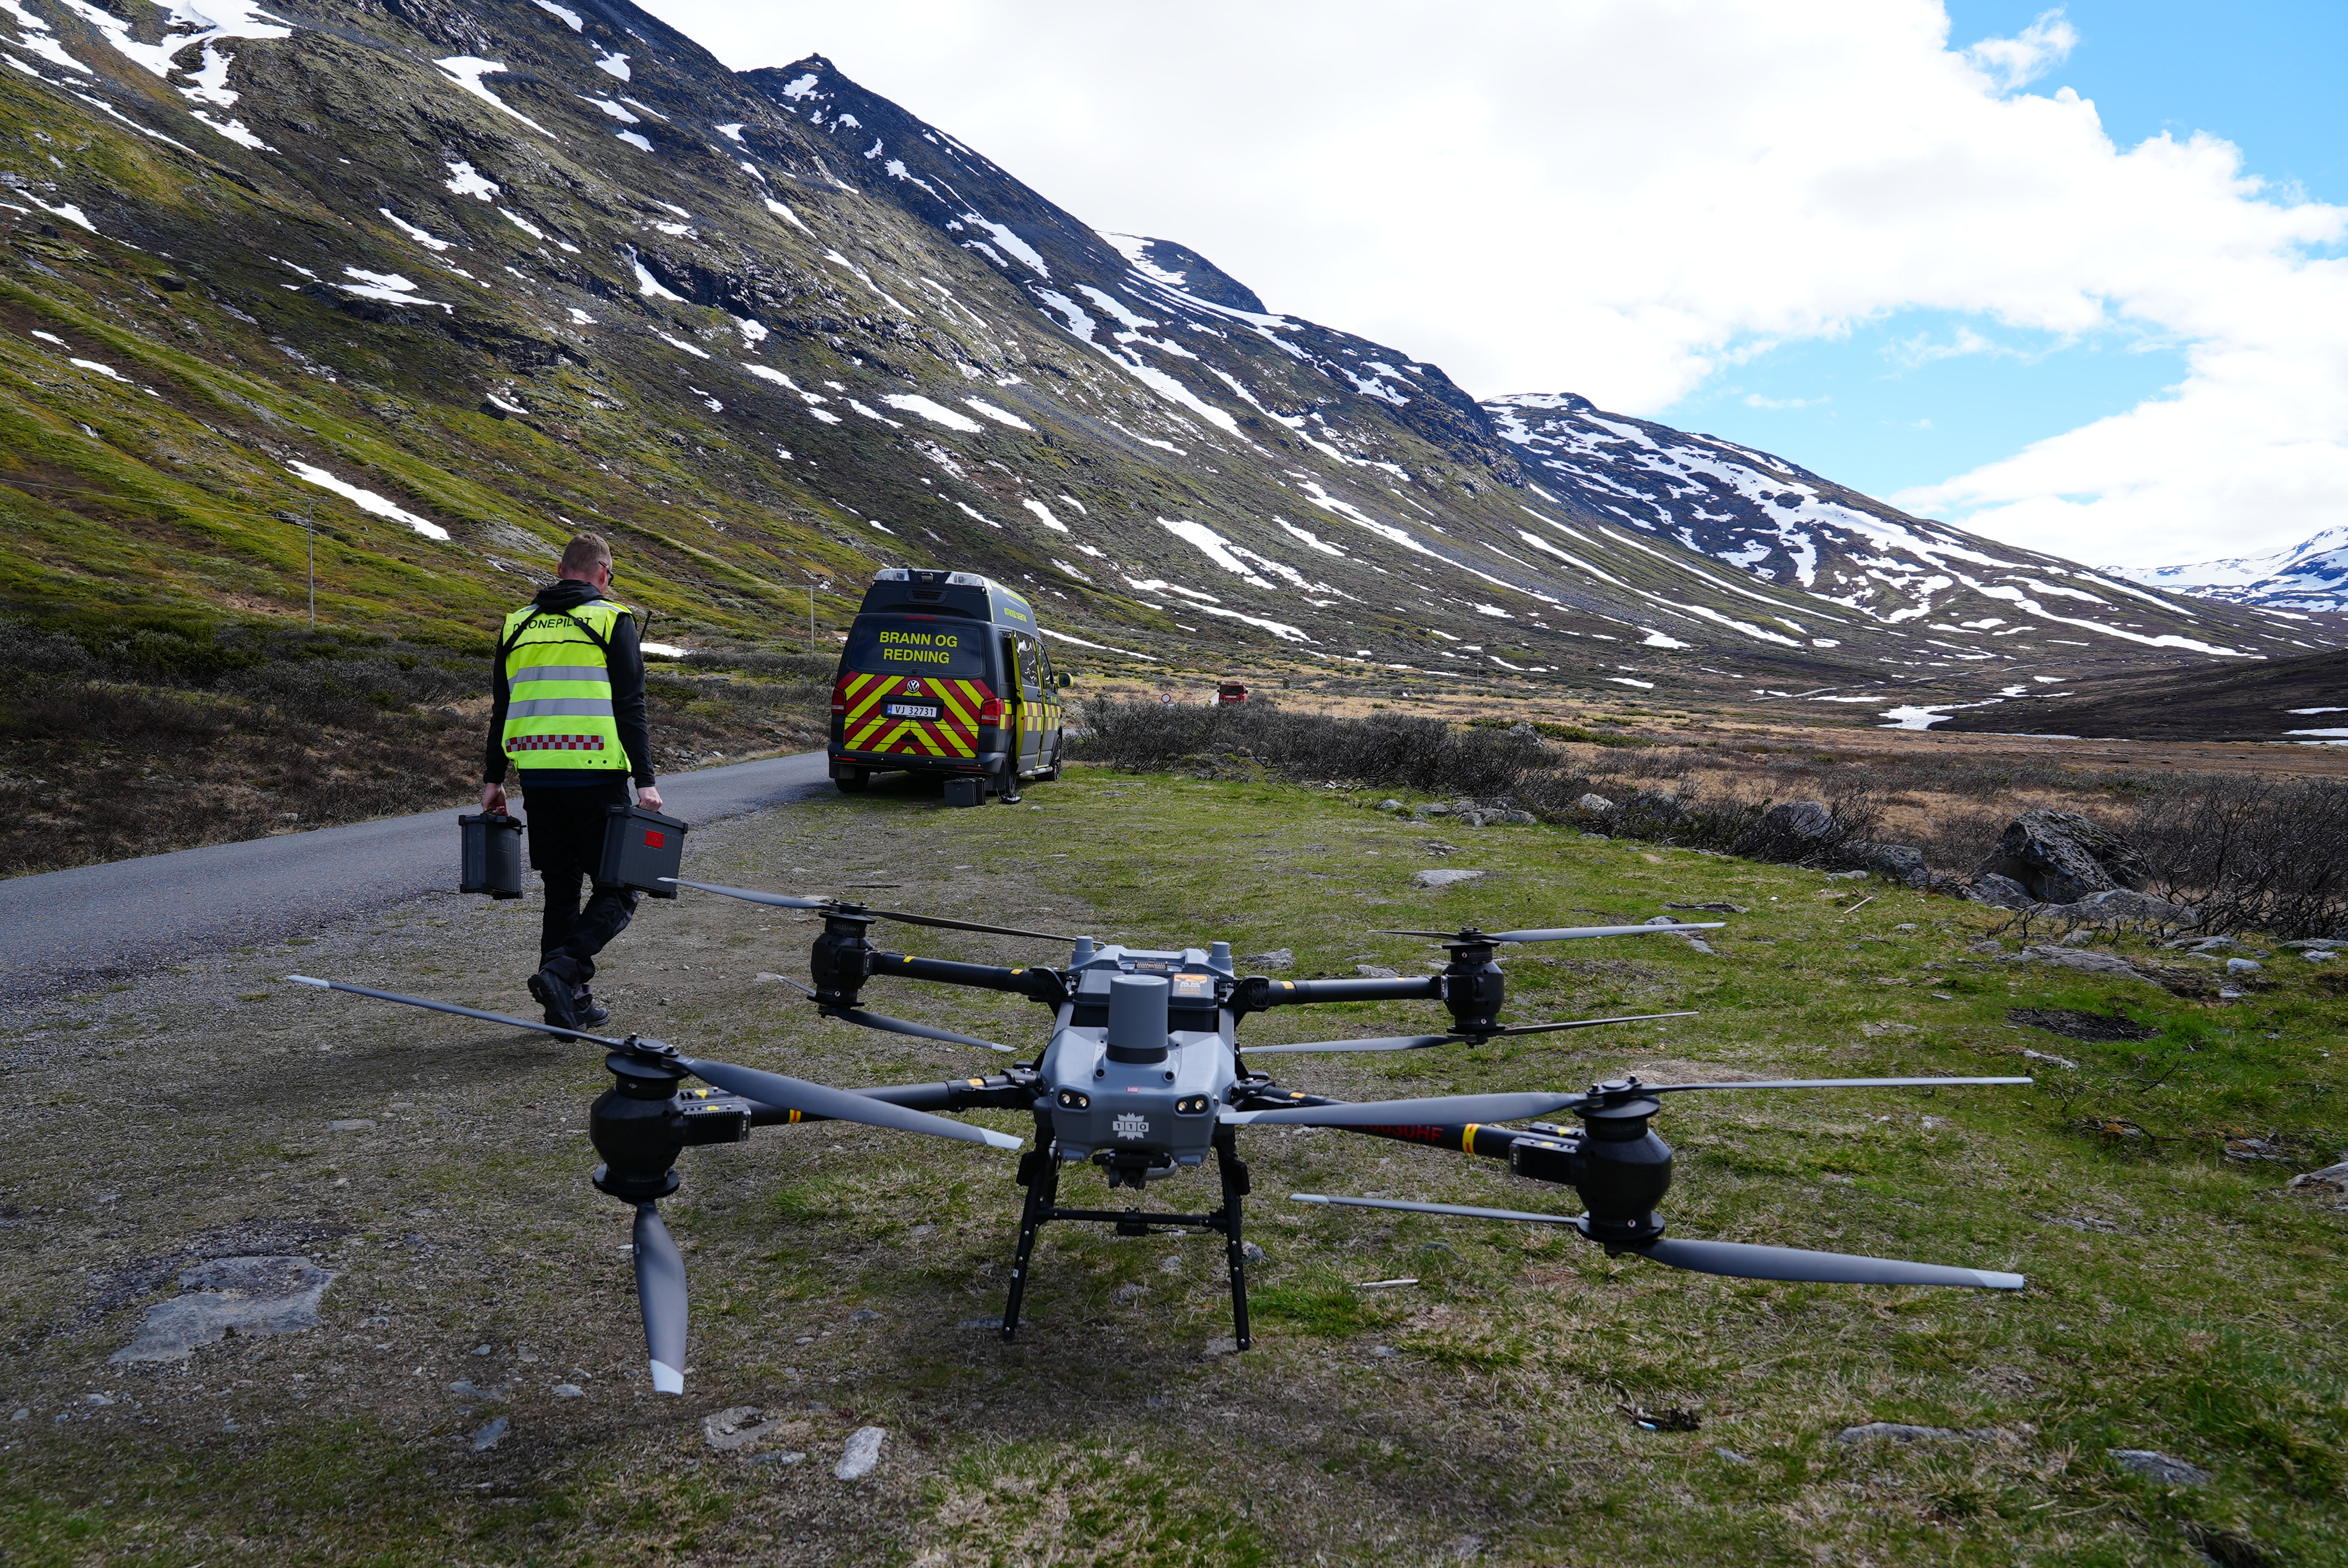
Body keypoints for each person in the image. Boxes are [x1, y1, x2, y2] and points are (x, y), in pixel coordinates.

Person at [480, 532, 663, 1030]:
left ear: (562, 570)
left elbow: (503, 710)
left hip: (537, 778)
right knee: (621, 887)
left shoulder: (517, 625)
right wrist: (645, 781)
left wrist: (493, 780)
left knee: (561, 891)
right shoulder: (612, 619)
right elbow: (631, 706)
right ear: (604, 573)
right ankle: (564, 971)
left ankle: (569, 1006)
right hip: (597, 776)